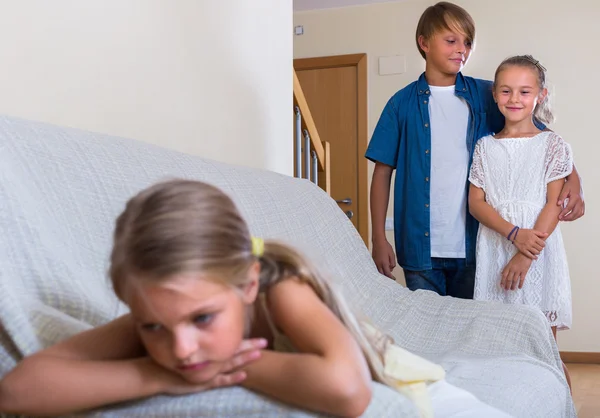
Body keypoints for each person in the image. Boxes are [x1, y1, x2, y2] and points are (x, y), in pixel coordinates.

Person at [0, 179, 513, 417]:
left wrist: (232, 365)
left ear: (246, 284)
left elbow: (346, 389)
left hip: (422, 392)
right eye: (152, 327)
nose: (181, 348)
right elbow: (18, 390)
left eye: (203, 318)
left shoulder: (279, 292)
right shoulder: (164, 320)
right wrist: (155, 374)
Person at [365, 2, 584, 298]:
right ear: (424, 43)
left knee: (471, 333)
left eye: (467, 42)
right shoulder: (400, 104)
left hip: (476, 245)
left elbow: (541, 138)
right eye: (451, 40)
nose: (462, 50)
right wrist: (378, 237)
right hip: (419, 248)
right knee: (428, 335)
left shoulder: (488, 94)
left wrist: (574, 180)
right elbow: (382, 173)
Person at [468, 55, 573, 390]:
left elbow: (553, 205)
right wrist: (513, 234)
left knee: (544, 350)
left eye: (524, 92)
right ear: (496, 95)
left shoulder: (553, 145)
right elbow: (476, 203)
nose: (514, 99)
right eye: (506, 91)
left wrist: (525, 254)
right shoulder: (484, 147)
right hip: (496, 249)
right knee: (498, 349)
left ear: (539, 95)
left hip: (538, 254)